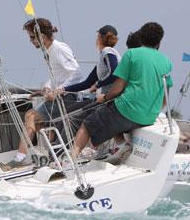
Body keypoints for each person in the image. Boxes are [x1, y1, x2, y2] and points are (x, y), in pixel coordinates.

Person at [68, 22, 173, 164]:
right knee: (113, 115)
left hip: (126, 110)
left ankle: (69, 160)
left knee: (87, 124)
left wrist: (104, 98)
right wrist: (150, 110)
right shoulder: (166, 61)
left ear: (141, 37)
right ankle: (121, 145)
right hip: (149, 117)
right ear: (160, 41)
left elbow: (117, 88)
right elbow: (165, 98)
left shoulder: (131, 54)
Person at [0, 18, 83, 171]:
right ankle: (51, 153)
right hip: (60, 96)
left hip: (68, 97)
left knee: (31, 116)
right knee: (38, 122)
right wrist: (45, 88)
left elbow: (77, 74)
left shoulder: (58, 49)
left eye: (32, 37)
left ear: (42, 37)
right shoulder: (50, 50)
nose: (30, 41)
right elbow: (58, 76)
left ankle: (20, 158)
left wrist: (59, 90)